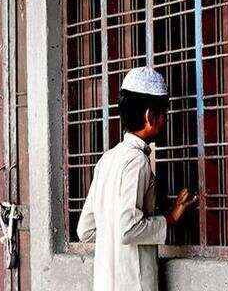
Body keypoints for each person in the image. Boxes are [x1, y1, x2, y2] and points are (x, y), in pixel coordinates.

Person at [76, 66, 198, 291]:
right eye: (163, 114)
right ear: (150, 116)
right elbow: (128, 229)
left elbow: (85, 230)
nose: (165, 121)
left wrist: (114, 245)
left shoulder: (107, 159)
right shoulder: (137, 161)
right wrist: (170, 218)